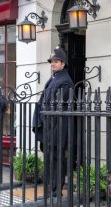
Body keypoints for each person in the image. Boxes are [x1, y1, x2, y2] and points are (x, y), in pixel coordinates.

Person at [33, 47, 74, 197]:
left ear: (63, 64)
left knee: (57, 159)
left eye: (56, 61)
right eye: (52, 61)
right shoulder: (54, 78)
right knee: (50, 159)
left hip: (58, 127)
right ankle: (50, 189)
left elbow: (56, 106)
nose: (53, 64)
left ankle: (56, 190)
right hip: (50, 126)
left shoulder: (65, 81)